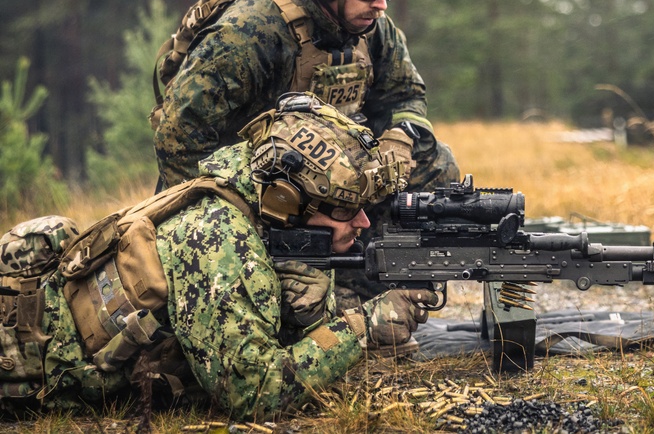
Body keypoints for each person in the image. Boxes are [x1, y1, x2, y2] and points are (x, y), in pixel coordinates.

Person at [0, 94, 436, 420]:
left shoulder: (247, 193)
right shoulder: (221, 242)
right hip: (23, 374)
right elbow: (254, 392)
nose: (361, 223)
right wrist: (363, 325)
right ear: (287, 199)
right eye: (343, 211)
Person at [152, 0, 460, 307]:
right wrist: (250, 223)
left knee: (434, 161)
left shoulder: (372, 28)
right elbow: (179, 141)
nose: (383, 6)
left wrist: (400, 136)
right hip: (261, 198)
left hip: (336, 188)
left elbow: (405, 92)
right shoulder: (251, 31)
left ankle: (372, 291)